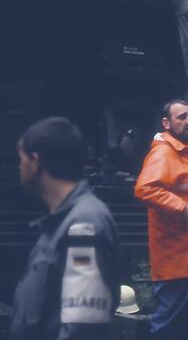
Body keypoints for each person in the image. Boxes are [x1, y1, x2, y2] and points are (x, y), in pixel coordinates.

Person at [10, 117, 119, 340]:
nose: (18, 167)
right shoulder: (59, 223)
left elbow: (83, 328)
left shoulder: (84, 224)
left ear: (36, 161)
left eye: (21, 159)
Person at [134, 100, 188, 340]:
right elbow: (145, 188)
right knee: (169, 327)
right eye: (182, 117)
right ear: (166, 123)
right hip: (179, 260)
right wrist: (180, 207)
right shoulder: (164, 152)